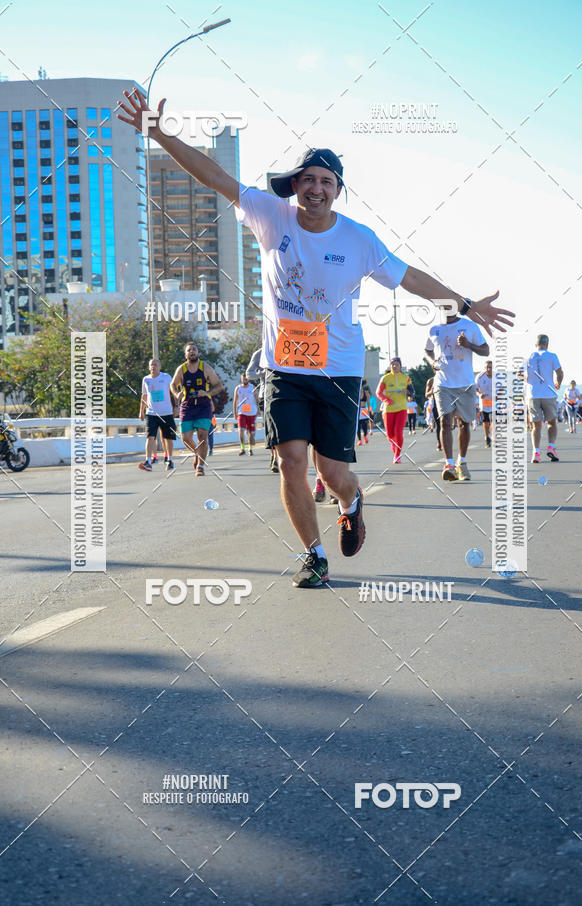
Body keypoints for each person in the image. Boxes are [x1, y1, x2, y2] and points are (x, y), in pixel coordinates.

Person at [118, 89, 513, 587]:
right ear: (296, 186)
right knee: (290, 462)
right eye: (308, 179)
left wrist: (466, 305)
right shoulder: (270, 214)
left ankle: (351, 501)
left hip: (339, 370)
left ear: (338, 190)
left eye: (327, 181)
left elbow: (411, 277)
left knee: (332, 473)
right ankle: (314, 555)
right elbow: (214, 176)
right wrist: (158, 132)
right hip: (283, 368)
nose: (317, 188)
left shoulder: (359, 239)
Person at [424, 307, 489, 480]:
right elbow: (427, 350)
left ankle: (462, 462)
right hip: (443, 383)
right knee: (445, 422)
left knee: (464, 423)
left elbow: (486, 350)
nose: (447, 310)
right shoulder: (434, 329)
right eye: (443, 307)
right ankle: (449, 464)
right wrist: (432, 362)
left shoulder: (470, 326)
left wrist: (469, 345)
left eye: (450, 306)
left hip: (465, 384)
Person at [170, 341, 224, 476]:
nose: (192, 352)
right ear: (185, 355)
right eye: (189, 350)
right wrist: (177, 394)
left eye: (194, 349)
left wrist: (207, 393)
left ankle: (200, 466)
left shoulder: (205, 368)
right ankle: (197, 453)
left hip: (203, 406)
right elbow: (172, 385)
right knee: (185, 438)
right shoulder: (181, 369)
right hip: (187, 406)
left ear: (198, 353)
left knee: (202, 436)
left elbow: (218, 386)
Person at [524, 334, 563, 463]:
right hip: (548, 394)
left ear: (536, 345)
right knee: (551, 422)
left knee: (536, 425)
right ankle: (551, 447)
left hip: (533, 394)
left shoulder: (529, 357)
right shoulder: (552, 356)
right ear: (547, 344)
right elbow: (560, 373)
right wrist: (558, 383)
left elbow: (519, 374)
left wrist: (529, 380)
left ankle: (536, 453)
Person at [138, 358, 177, 472]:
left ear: (160, 367)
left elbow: (173, 391)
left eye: (155, 365)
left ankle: (170, 460)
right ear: (148, 367)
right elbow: (144, 396)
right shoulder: (146, 379)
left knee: (168, 437)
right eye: (151, 365)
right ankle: (148, 461)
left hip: (166, 413)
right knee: (150, 436)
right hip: (151, 413)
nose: (153, 367)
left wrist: (176, 406)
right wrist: (141, 411)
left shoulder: (166, 377)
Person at [376, 358, 411, 463]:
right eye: (393, 364)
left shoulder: (406, 378)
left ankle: (397, 455)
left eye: (397, 364)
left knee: (398, 432)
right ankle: (394, 444)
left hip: (402, 408)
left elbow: (412, 392)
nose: (395, 366)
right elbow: (378, 393)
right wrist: (387, 400)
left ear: (400, 366)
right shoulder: (385, 378)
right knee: (390, 435)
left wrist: (408, 392)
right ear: (390, 366)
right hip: (389, 409)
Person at [233, 372, 259, 456]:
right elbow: (235, 401)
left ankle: (250, 448)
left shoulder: (252, 387)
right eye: (243, 378)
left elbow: (257, 399)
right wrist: (235, 413)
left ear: (248, 379)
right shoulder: (238, 388)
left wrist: (258, 409)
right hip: (242, 412)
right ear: (241, 379)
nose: (245, 380)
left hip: (251, 412)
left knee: (251, 433)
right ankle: (242, 448)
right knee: (241, 430)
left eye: (246, 378)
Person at [476, 360, 494, 448]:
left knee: (494, 421)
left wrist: (499, 395)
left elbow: (502, 388)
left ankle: (494, 436)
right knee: (486, 422)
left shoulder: (497, 376)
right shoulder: (479, 377)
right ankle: (487, 437)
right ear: (484, 368)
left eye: (490, 367)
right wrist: (479, 394)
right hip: (484, 401)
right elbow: (475, 389)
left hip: (494, 401)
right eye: (487, 367)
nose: (488, 369)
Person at [424, 376, 442, 451]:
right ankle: (439, 442)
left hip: (446, 403)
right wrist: (431, 391)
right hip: (436, 404)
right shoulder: (431, 381)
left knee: (445, 424)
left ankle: (445, 442)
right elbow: (426, 394)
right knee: (439, 424)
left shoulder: (447, 378)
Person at [357, 379, 372, 445]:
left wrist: (369, 410)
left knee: (364, 425)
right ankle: (359, 440)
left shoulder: (366, 393)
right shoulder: (357, 392)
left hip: (363, 410)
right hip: (358, 410)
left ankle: (365, 435)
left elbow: (368, 402)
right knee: (358, 426)